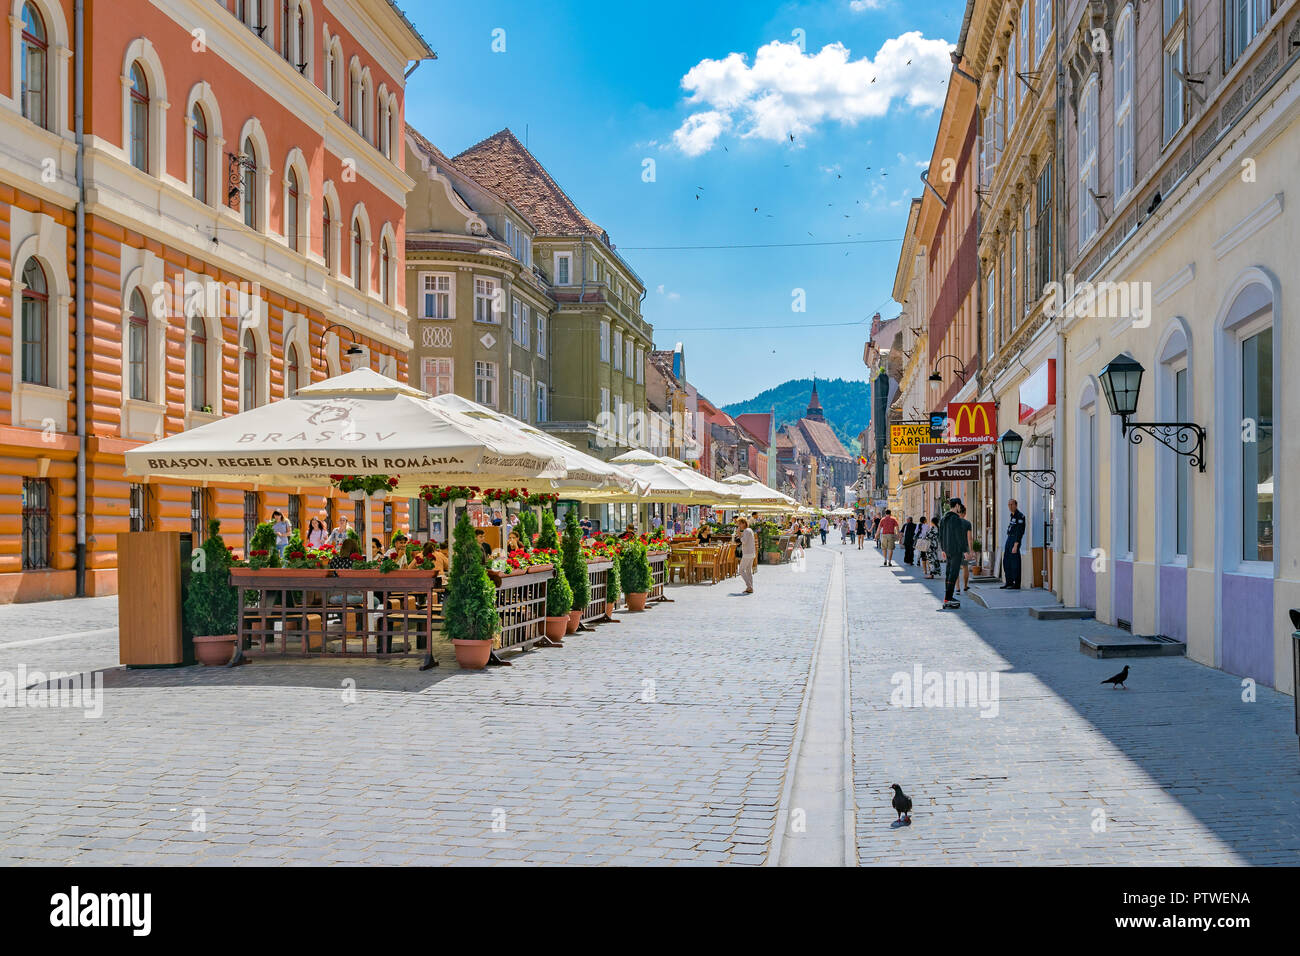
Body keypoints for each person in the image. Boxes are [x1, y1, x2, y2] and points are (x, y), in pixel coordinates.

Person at [938, 498, 970, 609]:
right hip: (956, 550)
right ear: (956, 505)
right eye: (959, 505)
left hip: (947, 550)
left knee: (948, 573)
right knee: (954, 573)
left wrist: (943, 549)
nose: (960, 507)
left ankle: (948, 597)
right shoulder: (956, 519)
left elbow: (940, 535)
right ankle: (948, 598)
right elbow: (959, 536)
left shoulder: (943, 518)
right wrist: (965, 550)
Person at [1001, 498, 1026, 590]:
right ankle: (1009, 582)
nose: (1010, 506)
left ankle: (1016, 583)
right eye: (1009, 505)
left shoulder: (1020, 516)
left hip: (1015, 540)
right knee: (1006, 561)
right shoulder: (1012, 515)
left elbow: (1019, 532)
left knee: (1015, 562)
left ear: (1016, 505)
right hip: (1009, 538)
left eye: (1012, 504)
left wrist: (1016, 545)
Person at [735, 517, 756, 594]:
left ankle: (749, 586)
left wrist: (739, 534)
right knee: (748, 571)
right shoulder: (749, 530)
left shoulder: (746, 531)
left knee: (741, 570)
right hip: (751, 553)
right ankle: (750, 587)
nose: (739, 525)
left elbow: (744, 541)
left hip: (747, 553)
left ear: (744, 523)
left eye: (740, 524)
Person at [958, 504, 974, 593]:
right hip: (965, 548)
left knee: (955, 567)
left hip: (955, 547)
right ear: (964, 513)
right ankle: (965, 586)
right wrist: (971, 550)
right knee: (965, 567)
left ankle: (957, 588)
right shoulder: (967, 523)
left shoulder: (954, 522)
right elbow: (969, 538)